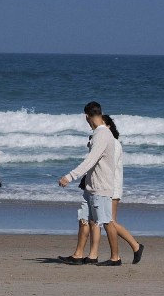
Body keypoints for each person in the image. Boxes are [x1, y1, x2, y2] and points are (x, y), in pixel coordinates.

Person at [58, 101, 117, 265]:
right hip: (90, 186)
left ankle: (115, 258)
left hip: (101, 187)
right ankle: (78, 255)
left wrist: (70, 176)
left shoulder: (102, 134)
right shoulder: (99, 134)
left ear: (87, 117)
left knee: (106, 222)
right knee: (83, 219)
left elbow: (90, 160)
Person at [99, 114, 144, 266]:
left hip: (112, 187)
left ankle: (133, 247)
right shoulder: (105, 142)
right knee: (109, 221)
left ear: (109, 126)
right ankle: (133, 247)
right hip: (106, 186)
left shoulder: (114, 144)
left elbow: (109, 166)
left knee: (109, 221)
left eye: (103, 125)